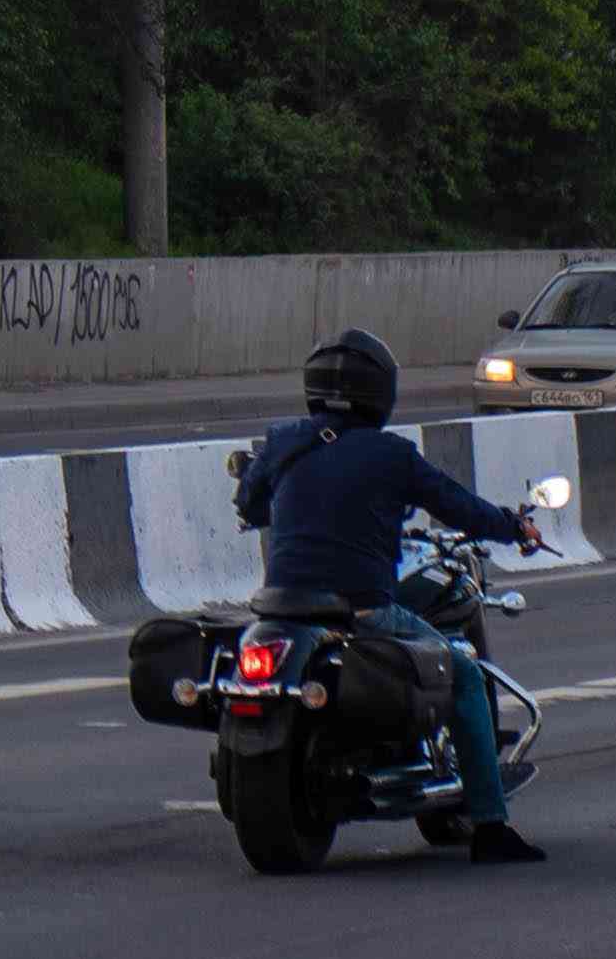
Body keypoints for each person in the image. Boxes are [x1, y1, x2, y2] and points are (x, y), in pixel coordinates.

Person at [233, 328, 550, 863]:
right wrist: (514, 526)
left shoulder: (284, 441)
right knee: (465, 673)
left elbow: (248, 504)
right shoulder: (392, 455)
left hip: (281, 606)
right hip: (360, 608)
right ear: (380, 391)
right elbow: (458, 506)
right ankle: (491, 827)